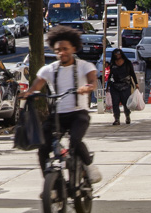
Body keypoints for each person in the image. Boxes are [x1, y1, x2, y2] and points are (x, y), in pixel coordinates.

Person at [28, 27, 102, 184]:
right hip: (57, 115)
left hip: (78, 113)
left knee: (75, 141)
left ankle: (89, 166)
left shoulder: (84, 66)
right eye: (58, 50)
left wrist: (88, 87)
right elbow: (37, 84)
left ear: (73, 48)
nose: (62, 53)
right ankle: (53, 185)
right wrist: (29, 93)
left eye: (65, 49)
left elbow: (93, 81)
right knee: (43, 149)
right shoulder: (49, 69)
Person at [104, 46, 137, 126]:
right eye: (115, 54)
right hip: (115, 86)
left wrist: (136, 83)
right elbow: (110, 75)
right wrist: (107, 86)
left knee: (126, 103)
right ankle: (116, 119)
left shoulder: (127, 63)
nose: (117, 56)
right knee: (115, 103)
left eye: (118, 54)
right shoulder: (112, 64)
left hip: (125, 85)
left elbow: (132, 73)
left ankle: (127, 116)